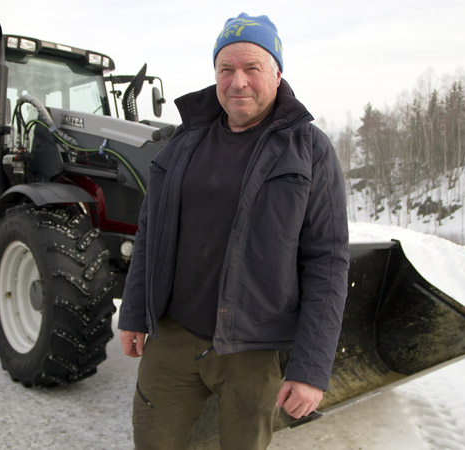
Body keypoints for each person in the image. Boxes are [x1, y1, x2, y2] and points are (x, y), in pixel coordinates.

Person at [117, 12, 349, 450]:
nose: (238, 81)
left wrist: (311, 369)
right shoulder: (183, 141)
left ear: (277, 74)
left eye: (252, 68)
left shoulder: (310, 150)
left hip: (256, 348)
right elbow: (149, 232)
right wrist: (133, 314)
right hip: (173, 336)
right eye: (226, 69)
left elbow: (329, 260)